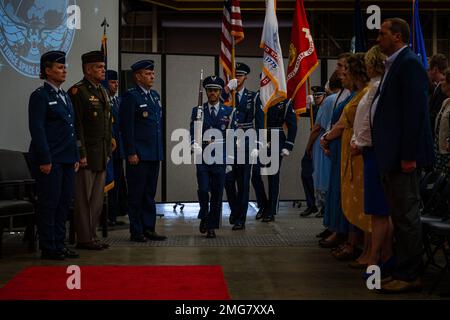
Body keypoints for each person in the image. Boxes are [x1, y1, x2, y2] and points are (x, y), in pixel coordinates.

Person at [372, 18, 434, 293]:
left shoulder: (409, 64)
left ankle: (410, 275)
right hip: (391, 156)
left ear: (397, 36)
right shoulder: (394, 64)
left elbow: (415, 115)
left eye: (382, 34)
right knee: (399, 216)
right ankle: (401, 270)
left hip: (403, 158)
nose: (378, 38)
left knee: (407, 218)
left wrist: (408, 155)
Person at [28, 51, 79, 260]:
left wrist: (75, 155)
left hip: (67, 158)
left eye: (64, 67)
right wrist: (45, 159)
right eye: (59, 67)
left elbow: (71, 129)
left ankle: (60, 243)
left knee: (64, 203)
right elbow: (37, 129)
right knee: (49, 203)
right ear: (47, 71)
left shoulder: (65, 95)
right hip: (51, 159)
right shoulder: (40, 96)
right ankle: (49, 246)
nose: (64, 70)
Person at [350, 45, 394, 274]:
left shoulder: (379, 89)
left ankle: (379, 255)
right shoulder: (373, 88)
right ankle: (380, 254)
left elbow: (372, 122)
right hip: (367, 151)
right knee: (377, 210)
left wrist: (362, 142)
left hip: (373, 152)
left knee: (379, 209)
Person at [69, 51, 112, 250]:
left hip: (101, 154)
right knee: (83, 199)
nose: (103, 70)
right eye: (98, 67)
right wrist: (81, 153)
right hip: (87, 155)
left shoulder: (102, 91)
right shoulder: (78, 91)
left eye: (103, 67)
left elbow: (105, 123)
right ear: (88, 69)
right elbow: (77, 126)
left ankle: (92, 236)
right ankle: (84, 238)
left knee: (96, 200)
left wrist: (108, 150)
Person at [120, 60, 166, 242]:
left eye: (153, 73)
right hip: (138, 155)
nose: (152, 76)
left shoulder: (154, 96)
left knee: (149, 194)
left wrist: (159, 151)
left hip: (153, 153)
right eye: (147, 73)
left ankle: (149, 228)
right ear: (137, 76)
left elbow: (156, 127)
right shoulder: (131, 97)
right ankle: (136, 230)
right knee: (136, 194)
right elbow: (127, 127)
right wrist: (131, 152)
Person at [190, 76, 233, 238]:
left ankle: (211, 225)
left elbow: (231, 136)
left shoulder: (228, 111)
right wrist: (193, 142)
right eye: (209, 90)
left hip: (220, 158)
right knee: (203, 189)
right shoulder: (198, 110)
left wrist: (229, 159)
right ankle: (204, 214)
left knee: (216, 193)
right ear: (206, 92)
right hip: (203, 156)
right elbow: (192, 130)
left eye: (215, 90)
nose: (212, 93)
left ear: (220, 92)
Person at [223, 62, 262, 230]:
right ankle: (235, 209)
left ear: (245, 77)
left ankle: (241, 219)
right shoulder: (226, 95)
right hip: (228, 142)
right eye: (235, 75)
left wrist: (258, 143)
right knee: (228, 181)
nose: (237, 78)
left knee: (243, 182)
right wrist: (226, 91)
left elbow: (259, 121)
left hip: (246, 142)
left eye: (240, 75)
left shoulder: (252, 97)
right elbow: (215, 106)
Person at [254, 98, 298, 222]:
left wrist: (288, 144)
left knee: (273, 175)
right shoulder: (259, 97)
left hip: (276, 136)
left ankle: (271, 210)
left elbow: (292, 124)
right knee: (255, 173)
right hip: (259, 137)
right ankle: (263, 205)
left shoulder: (285, 101)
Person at [105, 70, 127, 226]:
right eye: (113, 82)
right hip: (106, 149)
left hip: (118, 149)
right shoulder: (103, 100)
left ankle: (113, 215)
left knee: (117, 184)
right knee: (106, 183)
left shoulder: (119, 101)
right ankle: (104, 216)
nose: (116, 84)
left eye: (117, 82)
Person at [300, 86, 326, 217]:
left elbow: (318, 126)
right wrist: (307, 106)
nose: (316, 98)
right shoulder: (314, 108)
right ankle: (312, 205)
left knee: (322, 176)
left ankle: (324, 207)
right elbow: (299, 112)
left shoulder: (325, 107)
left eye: (318, 96)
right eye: (315, 96)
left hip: (321, 144)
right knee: (306, 173)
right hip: (313, 144)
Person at [428, 54, 448, 140]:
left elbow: (436, 114)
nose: (428, 72)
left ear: (435, 69)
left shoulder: (444, 89)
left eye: (429, 69)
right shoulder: (436, 87)